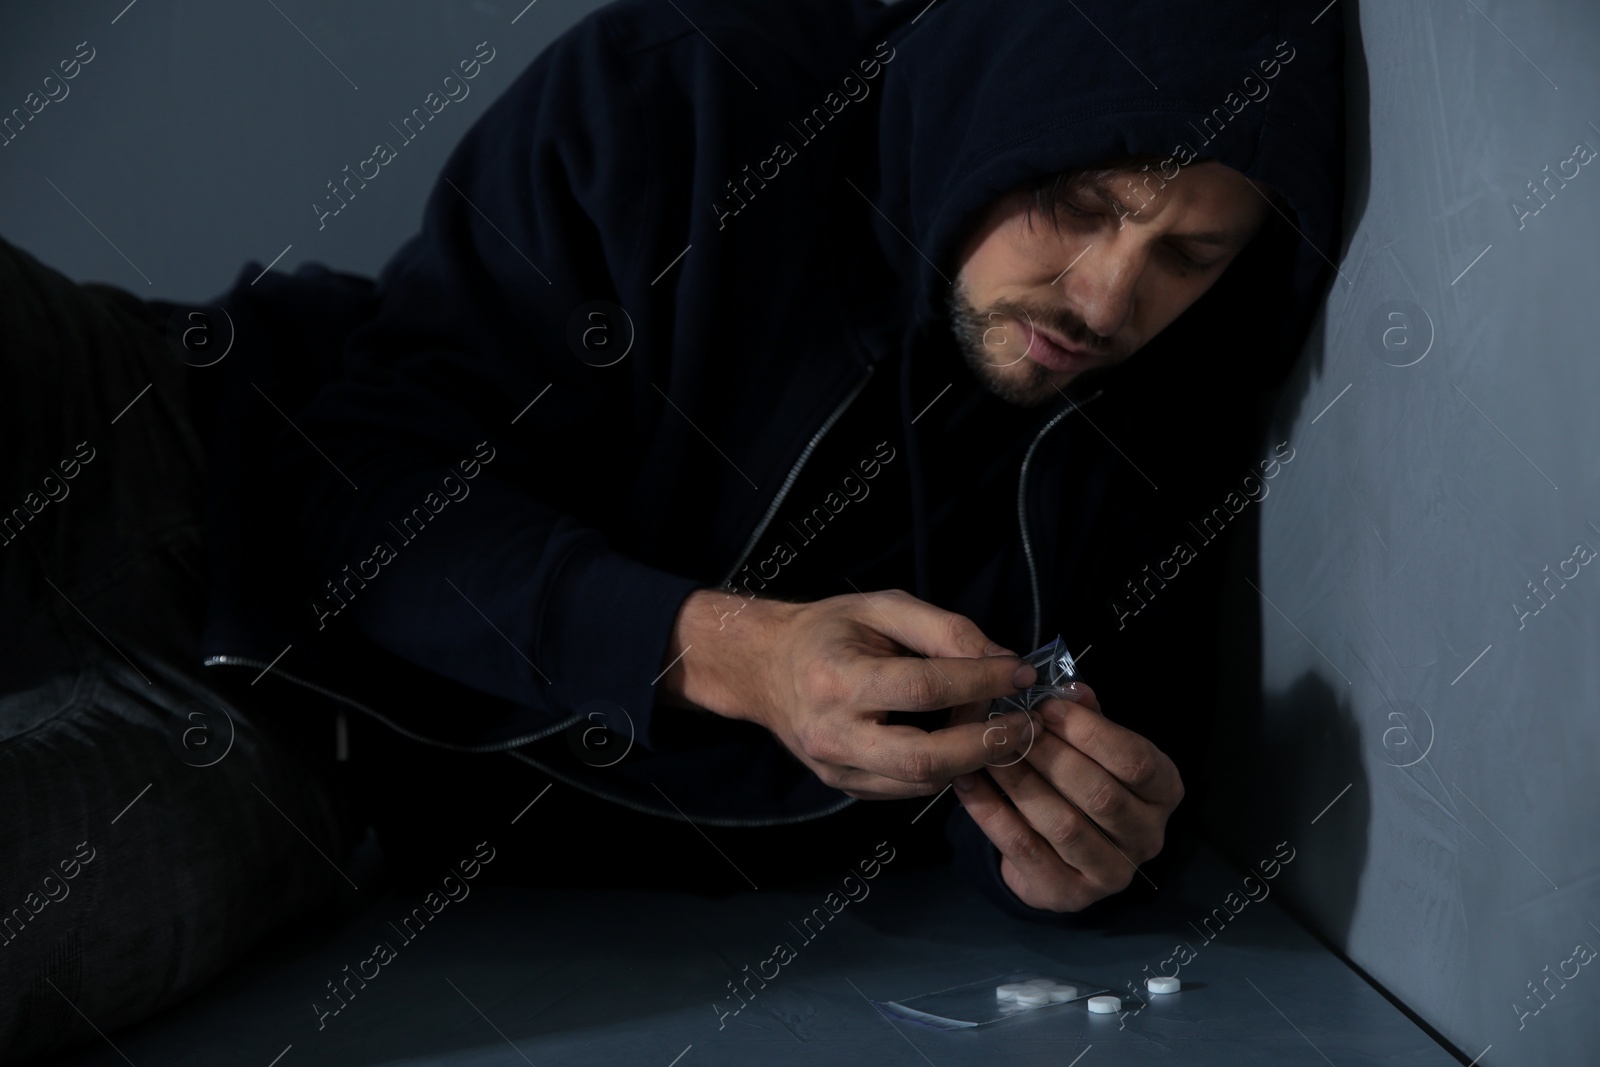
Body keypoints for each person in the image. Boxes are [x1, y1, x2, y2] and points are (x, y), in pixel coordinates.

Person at [0, 0, 1343, 1059]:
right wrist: (727, 652)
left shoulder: (1156, 424)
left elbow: (1076, 795)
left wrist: (1064, 861)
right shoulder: (685, 91)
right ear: (1000, 86)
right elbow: (359, 482)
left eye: (1191, 253)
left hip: (319, 787)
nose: (1109, 298)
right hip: (178, 435)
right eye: (1083, 200)